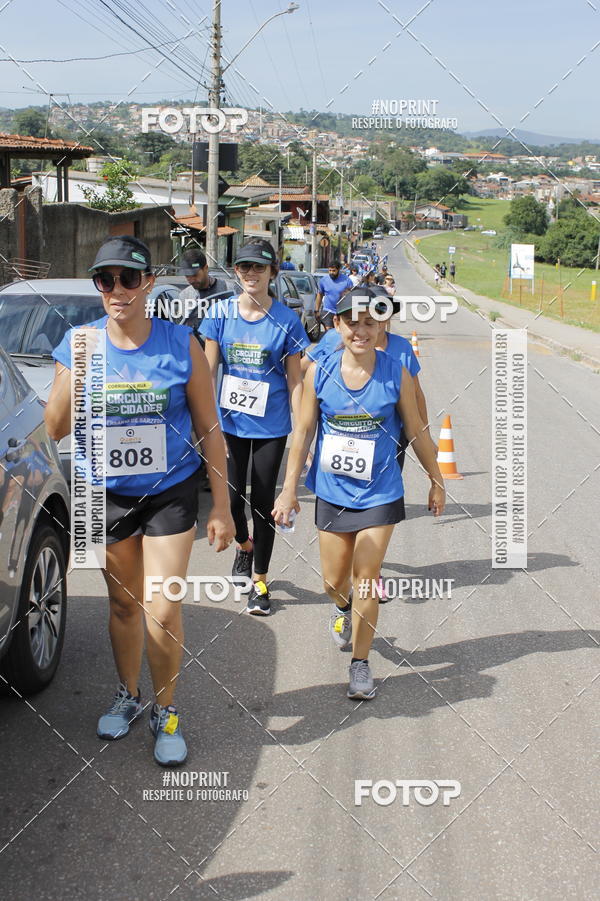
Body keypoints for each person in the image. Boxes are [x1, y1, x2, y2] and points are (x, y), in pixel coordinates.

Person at [44, 235, 235, 766]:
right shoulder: (78, 342)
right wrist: (76, 369)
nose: (118, 290)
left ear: (148, 282)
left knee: (162, 606)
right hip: (101, 493)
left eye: (129, 278)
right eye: (106, 280)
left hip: (170, 491)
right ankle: (128, 695)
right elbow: (55, 426)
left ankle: (166, 710)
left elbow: (209, 427)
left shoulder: (180, 343)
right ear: (98, 287)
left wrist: (221, 506)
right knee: (125, 604)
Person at [273, 287, 445, 699]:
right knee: (335, 581)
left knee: (366, 579)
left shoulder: (395, 370)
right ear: (337, 325)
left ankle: (361, 664)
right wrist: (289, 490)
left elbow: (417, 429)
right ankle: (341, 607)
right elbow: (302, 433)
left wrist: (436, 479)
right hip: (332, 491)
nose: (361, 330)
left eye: (370, 321)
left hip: (379, 493)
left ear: (381, 324)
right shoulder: (320, 371)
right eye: (352, 322)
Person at [200, 239, 309, 615]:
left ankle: (260, 581)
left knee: (263, 502)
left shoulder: (287, 320)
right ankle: (244, 546)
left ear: (272, 273)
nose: (250, 273)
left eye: (259, 267)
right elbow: (206, 373)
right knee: (229, 499)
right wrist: (206, 425)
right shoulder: (219, 314)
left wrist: (301, 431)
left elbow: (295, 380)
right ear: (236, 272)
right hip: (228, 423)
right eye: (244, 267)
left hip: (271, 426)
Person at [178, 247, 234, 334]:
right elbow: (184, 331)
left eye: (195, 275)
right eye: (187, 276)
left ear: (206, 268)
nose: (191, 280)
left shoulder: (229, 289)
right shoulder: (184, 296)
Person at [315, 261, 353, 331]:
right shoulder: (323, 281)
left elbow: (351, 295)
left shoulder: (347, 280)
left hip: (342, 311)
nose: (331, 272)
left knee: (340, 333)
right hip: (328, 311)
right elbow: (319, 295)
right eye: (330, 270)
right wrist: (316, 310)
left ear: (338, 270)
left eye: (334, 271)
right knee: (329, 332)